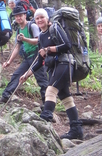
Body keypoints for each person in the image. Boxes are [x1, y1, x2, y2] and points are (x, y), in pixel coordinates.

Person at [20, 9, 83, 140]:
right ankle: (76, 130)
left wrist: (48, 49)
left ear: (47, 18)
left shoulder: (55, 28)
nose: (39, 20)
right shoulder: (41, 36)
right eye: (37, 19)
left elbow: (67, 45)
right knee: (65, 97)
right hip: (55, 67)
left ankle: (45, 120)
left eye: (41, 17)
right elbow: (40, 59)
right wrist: (26, 74)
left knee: (50, 90)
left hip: (65, 63)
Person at [0, 4, 48, 103]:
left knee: (42, 80)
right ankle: (6, 96)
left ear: (25, 15)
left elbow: (38, 40)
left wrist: (25, 39)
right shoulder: (18, 30)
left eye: (20, 15)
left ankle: (47, 104)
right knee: (17, 75)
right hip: (28, 57)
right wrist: (9, 61)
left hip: (37, 55)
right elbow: (17, 47)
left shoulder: (32, 25)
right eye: (16, 16)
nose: (18, 18)